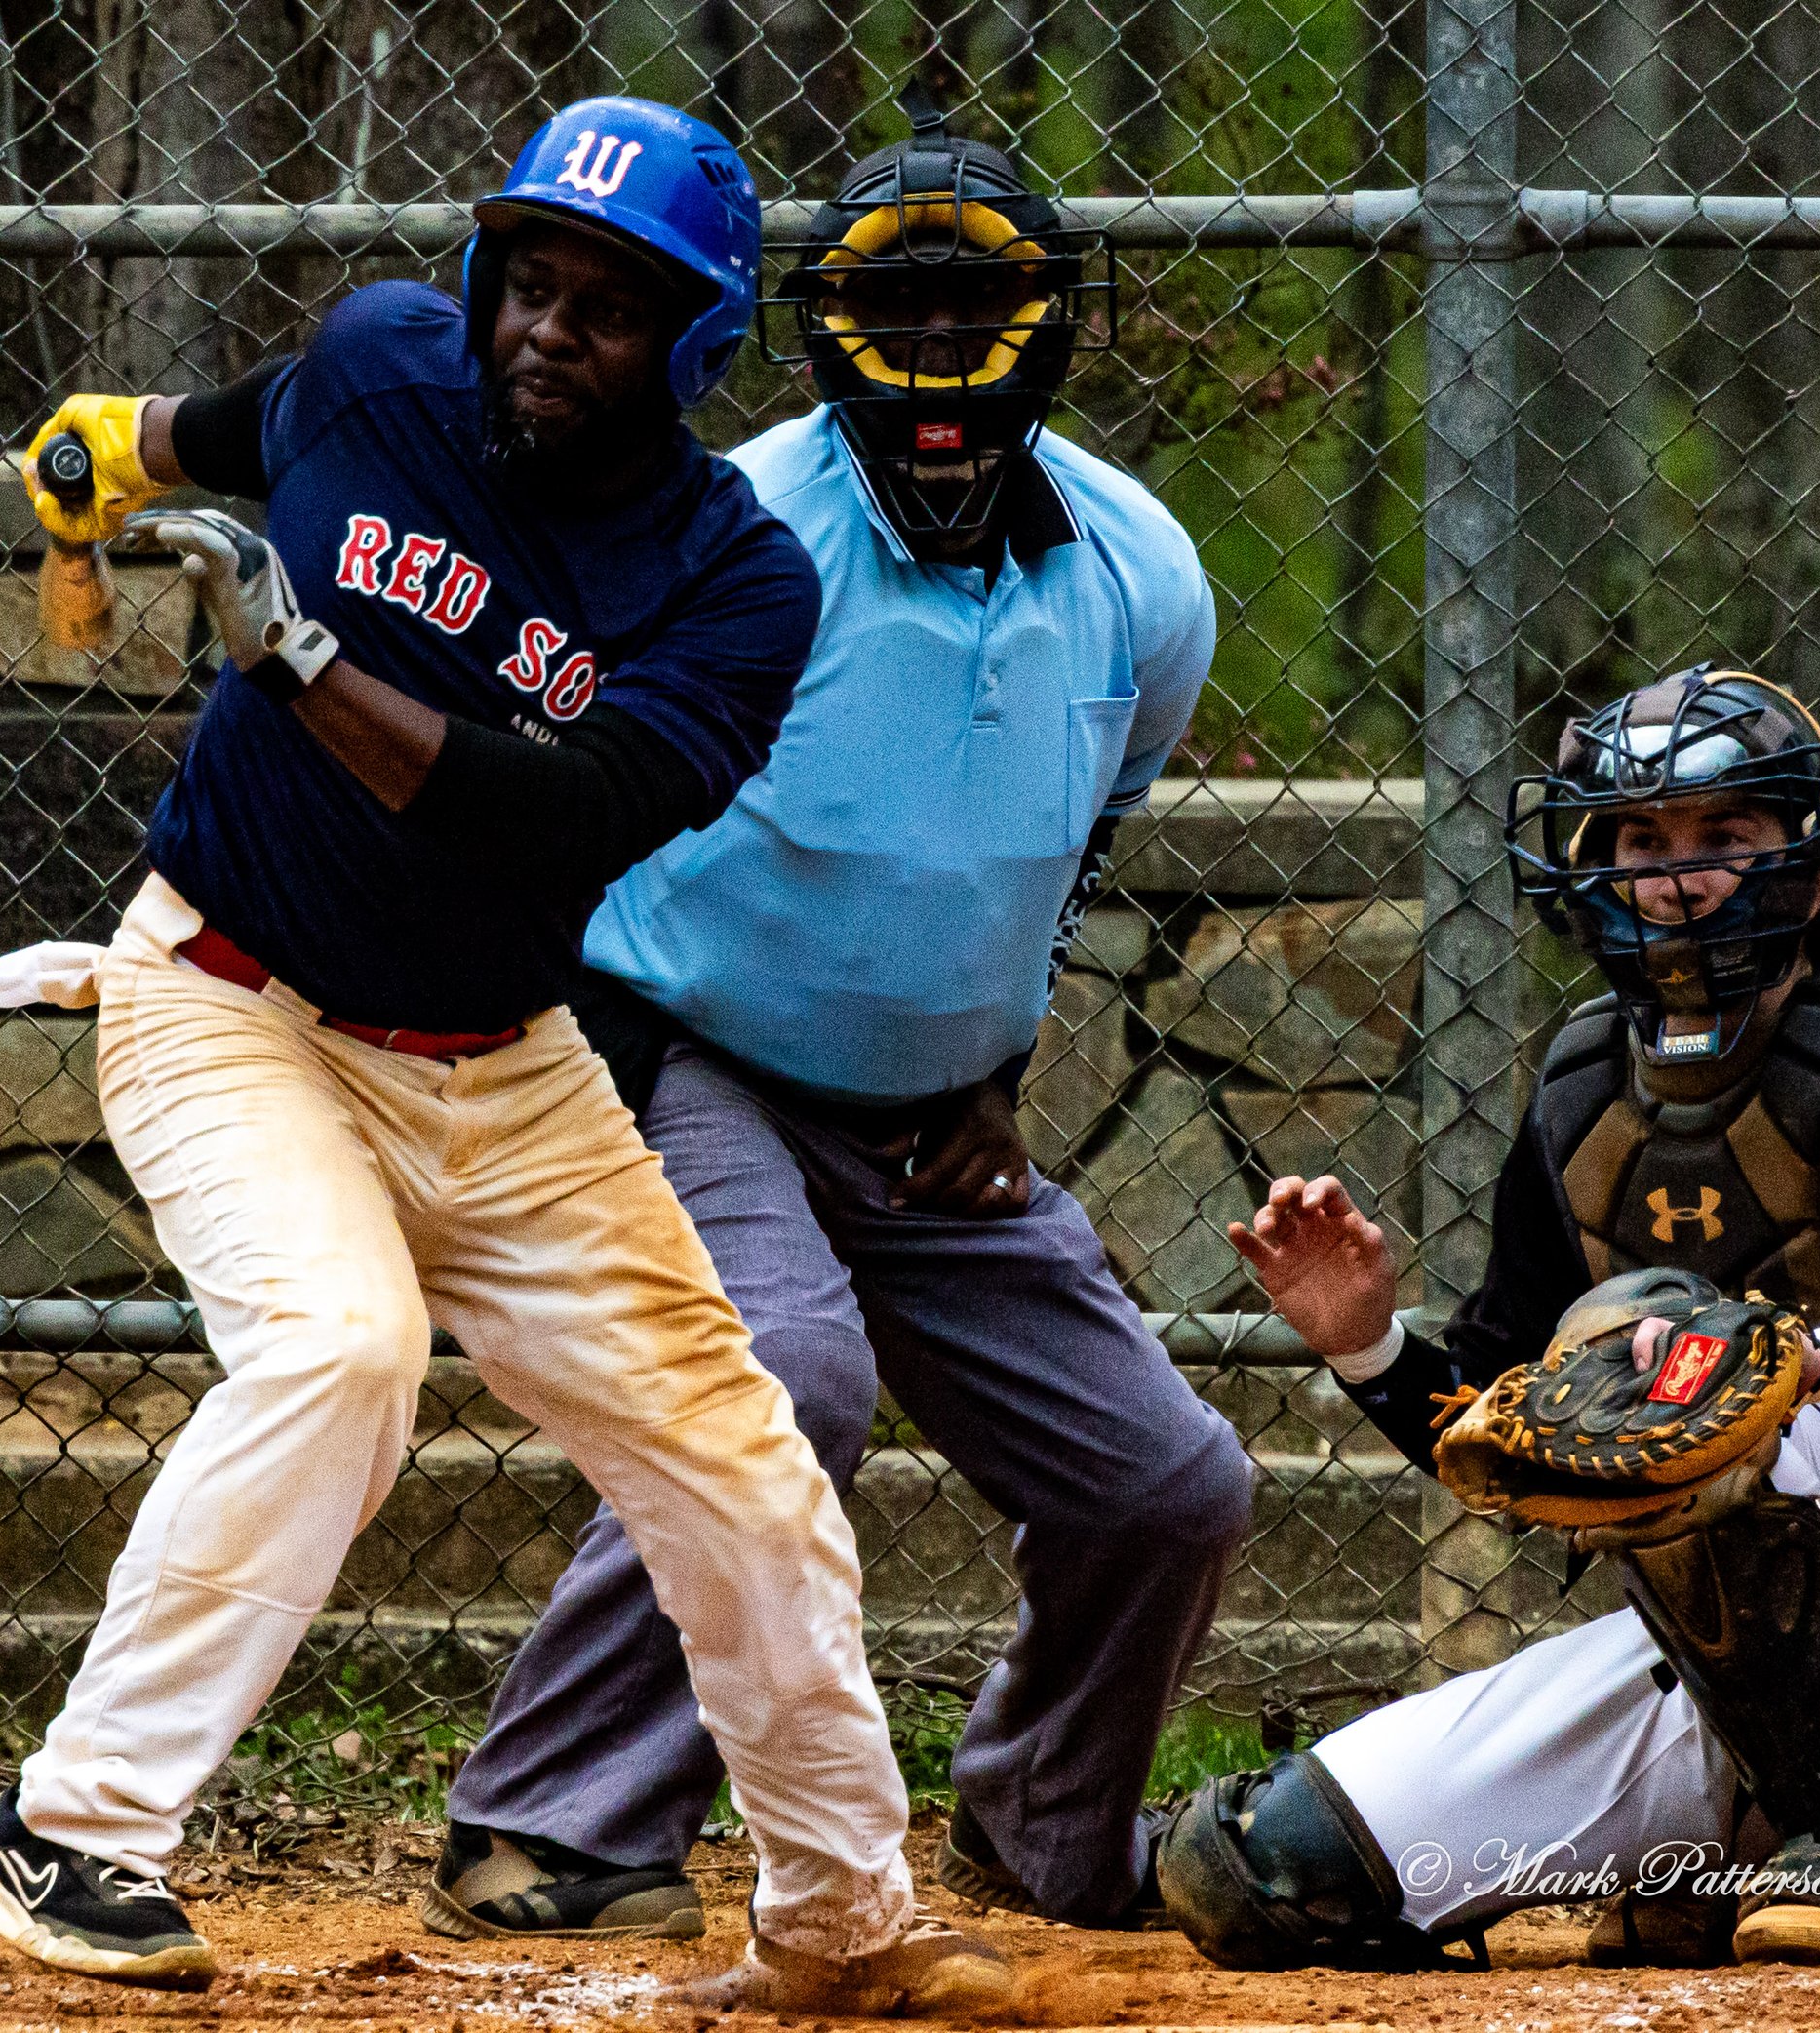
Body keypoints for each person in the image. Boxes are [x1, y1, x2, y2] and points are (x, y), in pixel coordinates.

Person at [0, 96, 1008, 2016]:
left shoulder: (732, 585)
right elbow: (228, 429)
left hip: (506, 1073)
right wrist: (108, 456)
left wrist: (301, 660)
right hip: (227, 996)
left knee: (739, 1463)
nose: (545, 327)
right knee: (342, 1349)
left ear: (690, 349)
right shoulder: (377, 361)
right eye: (526, 278)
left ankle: (840, 1919)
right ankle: (71, 1830)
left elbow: (554, 812)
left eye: (607, 306)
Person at [425, 91, 1253, 1943]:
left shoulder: (1142, 573)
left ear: (1058, 316)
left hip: (930, 1114)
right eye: (905, 309)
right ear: (821, 324)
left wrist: (999, 1060)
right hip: (686, 1054)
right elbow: (573, 800)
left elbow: (1067, 835)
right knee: (781, 1381)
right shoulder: (737, 531)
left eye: (984, 306)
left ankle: (1043, 1823)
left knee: (1168, 1480)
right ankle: (546, 1827)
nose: (944, 348)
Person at [1155, 666, 1820, 1971]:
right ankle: (1727, 1860)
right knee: (1264, 1874)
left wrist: (1773, 1368)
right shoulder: (1581, 1099)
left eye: (1724, 838)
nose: (1677, 877)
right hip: (1729, 1686)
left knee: (1648, 1331)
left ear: (1816, 868)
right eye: (1643, 842)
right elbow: (1501, 1439)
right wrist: (1367, 1342)